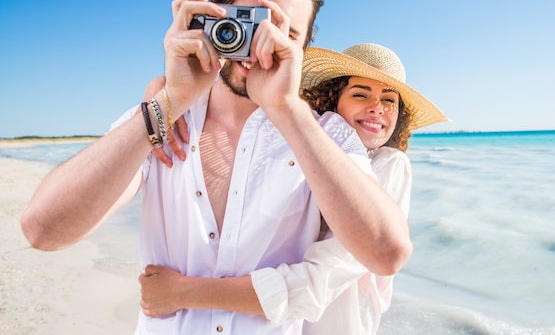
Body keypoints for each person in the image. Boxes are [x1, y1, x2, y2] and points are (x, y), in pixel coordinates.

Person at [20, 0, 415, 334]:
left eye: (284, 33)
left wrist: (286, 109)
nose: (260, 47)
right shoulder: (159, 119)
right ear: (212, 19)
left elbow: (386, 254)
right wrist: (171, 99)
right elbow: (44, 231)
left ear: (303, 48)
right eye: (250, 23)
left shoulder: (326, 135)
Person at [138, 43, 449, 334]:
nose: (377, 108)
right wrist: (159, 90)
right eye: (360, 95)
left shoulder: (388, 165)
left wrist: (183, 293)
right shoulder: (300, 148)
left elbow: (317, 281)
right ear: (333, 100)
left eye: (389, 99)